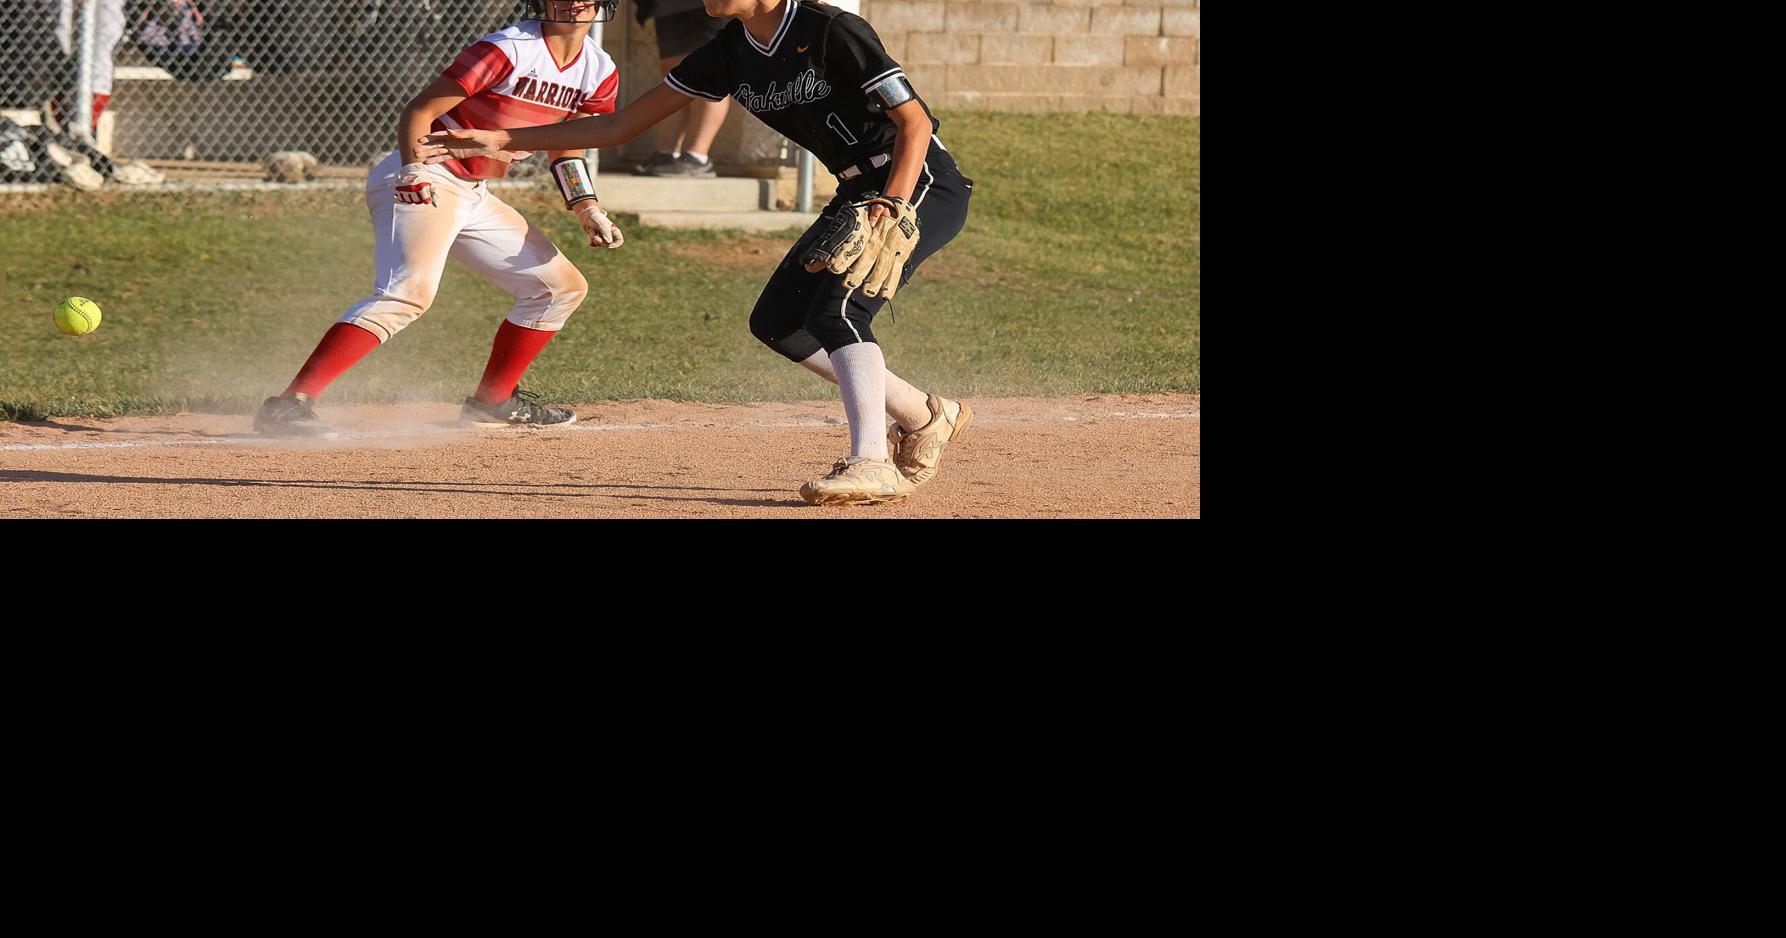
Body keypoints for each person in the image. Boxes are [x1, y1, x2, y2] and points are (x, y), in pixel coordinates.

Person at [420, 0, 974, 506]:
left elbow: (915, 122)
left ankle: (870, 461)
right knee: (780, 324)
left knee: (839, 313)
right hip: (855, 191)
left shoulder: (829, 28)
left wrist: (894, 203)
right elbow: (621, 125)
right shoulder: (729, 51)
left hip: (916, 181)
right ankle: (926, 416)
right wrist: (506, 139)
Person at [254, 0, 625, 437]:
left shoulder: (599, 69)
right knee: (407, 294)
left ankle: (493, 402)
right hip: (426, 173)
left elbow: (568, 144)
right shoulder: (509, 48)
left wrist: (587, 207)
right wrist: (413, 170)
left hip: (471, 192)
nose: (575, 2)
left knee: (559, 289)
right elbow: (420, 111)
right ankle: (288, 405)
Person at [630, 0, 731, 177]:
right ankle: (666, 154)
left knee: (712, 73)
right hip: (668, 4)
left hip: (711, 4)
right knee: (673, 71)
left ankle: (698, 157)